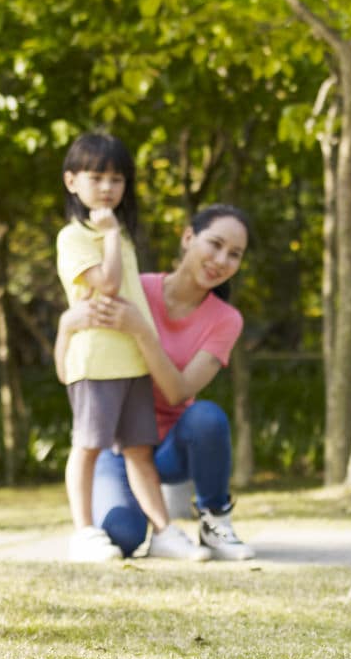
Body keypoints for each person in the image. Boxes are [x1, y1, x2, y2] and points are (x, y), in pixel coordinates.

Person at [57, 203, 256, 562]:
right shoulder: (138, 289)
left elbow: (178, 391)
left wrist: (141, 330)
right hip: (120, 445)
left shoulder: (226, 319)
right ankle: (151, 527)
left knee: (207, 418)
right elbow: (85, 343)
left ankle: (215, 523)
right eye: (214, 244)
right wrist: (67, 323)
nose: (221, 260)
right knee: (122, 537)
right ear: (188, 237)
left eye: (234, 254)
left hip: (169, 448)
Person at [56, 133, 210, 564]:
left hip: (132, 361)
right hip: (94, 362)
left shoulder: (116, 236)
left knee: (140, 450)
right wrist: (107, 235)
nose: (108, 187)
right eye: (97, 176)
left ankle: (163, 531)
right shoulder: (74, 236)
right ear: (72, 181)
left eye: (117, 178)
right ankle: (83, 532)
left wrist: (111, 236)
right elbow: (103, 284)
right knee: (87, 445)